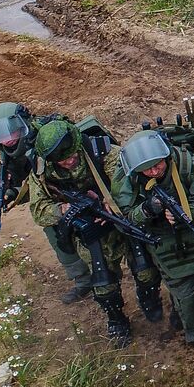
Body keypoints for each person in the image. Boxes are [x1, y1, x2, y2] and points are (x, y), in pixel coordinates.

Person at [28, 120, 163, 346]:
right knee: (103, 282)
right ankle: (116, 318)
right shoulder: (42, 172)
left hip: (120, 219)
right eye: (63, 160)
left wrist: (111, 201)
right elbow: (38, 210)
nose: (70, 161)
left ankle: (149, 298)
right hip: (89, 231)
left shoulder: (102, 150)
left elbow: (128, 179)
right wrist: (63, 209)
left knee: (145, 268)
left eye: (72, 155)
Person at [114, 129, 194, 371]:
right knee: (188, 292)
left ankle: (180, 310)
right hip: (160, 239)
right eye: (148, 170)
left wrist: (192, 214)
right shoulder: (128, 179)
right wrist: (148, 209)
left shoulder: (188, 165)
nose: (154, 172)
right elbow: (127, 216)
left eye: (158, 166)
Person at [0, 103, 94, 304]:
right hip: (48, 195)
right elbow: (26, 183)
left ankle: (105, 275)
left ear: (21, 123)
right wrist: (10, 191)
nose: (5, 140)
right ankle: (83, 280)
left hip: (76, 186)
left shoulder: (45, 137)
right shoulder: (8, 150)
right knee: (58, 236)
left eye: (8, 132)